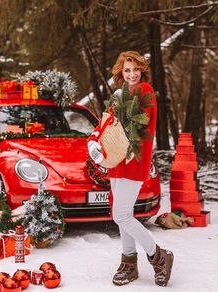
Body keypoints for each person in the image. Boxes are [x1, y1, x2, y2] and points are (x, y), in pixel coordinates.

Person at [87, 51, 174, 287]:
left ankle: (158, 256)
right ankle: (129, 263)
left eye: (135, 69)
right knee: (123, 216)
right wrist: (94, 141)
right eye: (127, 70)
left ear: (142, 70)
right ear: (121, 73)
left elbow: (135, 123)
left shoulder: (144, 90)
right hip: (116, 162)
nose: (132, 73)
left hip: (134, 161)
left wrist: (113, 118)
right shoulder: (119, 95)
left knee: (121, 215)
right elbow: (105, 123)